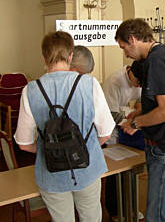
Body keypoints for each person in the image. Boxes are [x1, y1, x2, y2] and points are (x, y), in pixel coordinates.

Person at [14, 31, 115, 222]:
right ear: (70, 56)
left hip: (51, 172)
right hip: (88, 168)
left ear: (44, 57)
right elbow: (106, 132)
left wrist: (54, 150)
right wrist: (82, 148)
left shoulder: (30, 90)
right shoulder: (89, 83)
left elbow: (24, 144)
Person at [116, 18, 165, 222]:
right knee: (164, 211)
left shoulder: (156, 61)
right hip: (164, 147)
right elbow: (159, 104)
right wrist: (139, 114)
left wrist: (136, 124)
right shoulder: (158, 57)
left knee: (156, 215)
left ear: (132, 39)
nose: (125, 53)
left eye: (124, 47)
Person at [102, 61, 145, 222]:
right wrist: (132, 122)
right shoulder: (114, 82)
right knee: (115, 173)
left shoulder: (140, 78)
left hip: (128, 130)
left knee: (131, 169)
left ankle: (131, 208)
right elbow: (109, 114)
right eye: (137, 82)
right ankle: (114, 211)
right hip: (113, 131)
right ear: (130, 73)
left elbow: (140, 100)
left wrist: (138, 112)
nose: (138, 85)